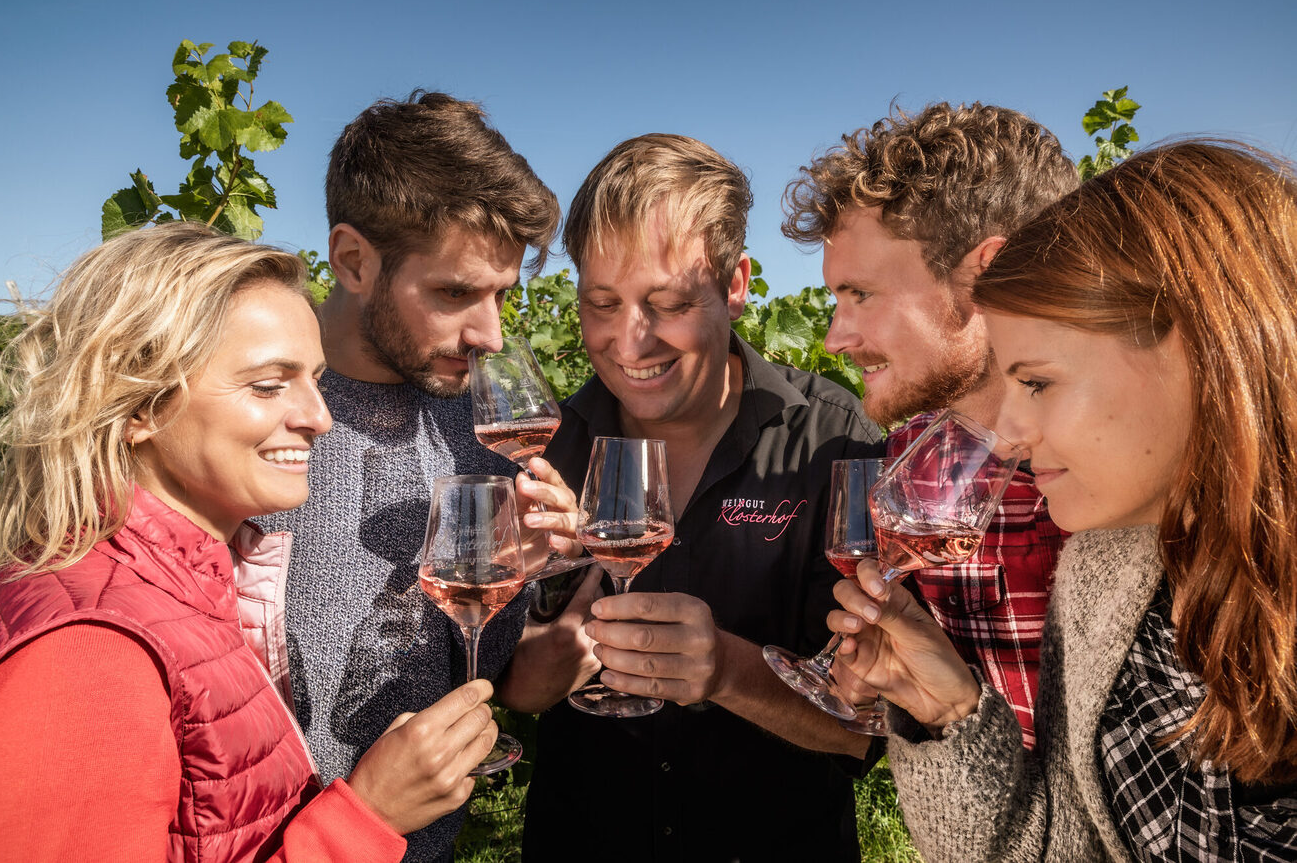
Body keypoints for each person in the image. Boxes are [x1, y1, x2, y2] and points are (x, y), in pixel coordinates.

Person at [828, 140, 1297, 861]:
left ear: (1203, 350)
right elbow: (1066, 845)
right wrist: (950, 710)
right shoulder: (1103, 577)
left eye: (1039, 383)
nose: (1007, 437)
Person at [0, 223, 503, 861]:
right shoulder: (88, 652)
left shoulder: (197, 583)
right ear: (137, 407)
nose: (319, 416)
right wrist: (367, 816)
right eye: (268, 385)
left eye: (315, 379)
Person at [511, 133, 885, 863]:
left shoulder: (832, 441)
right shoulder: (550, 447)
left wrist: (725, 670)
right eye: (600, 304)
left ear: (736, 284)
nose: (630, 341)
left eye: (670, 302)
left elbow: (860, 726)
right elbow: (524, 692)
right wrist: (568, 579)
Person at [251, 91, 580, 863]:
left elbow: (480, 664)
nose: (491, 334)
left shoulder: (480, 421)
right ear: (354, 260)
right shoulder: (254, 415)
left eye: (503, 294)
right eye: (455, 293)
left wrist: (519, 576)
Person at [781, 102, 1079, 747]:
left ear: (987, 274)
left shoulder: (1138, 478)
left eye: (860, 293)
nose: (834, 338)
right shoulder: (911, 458)